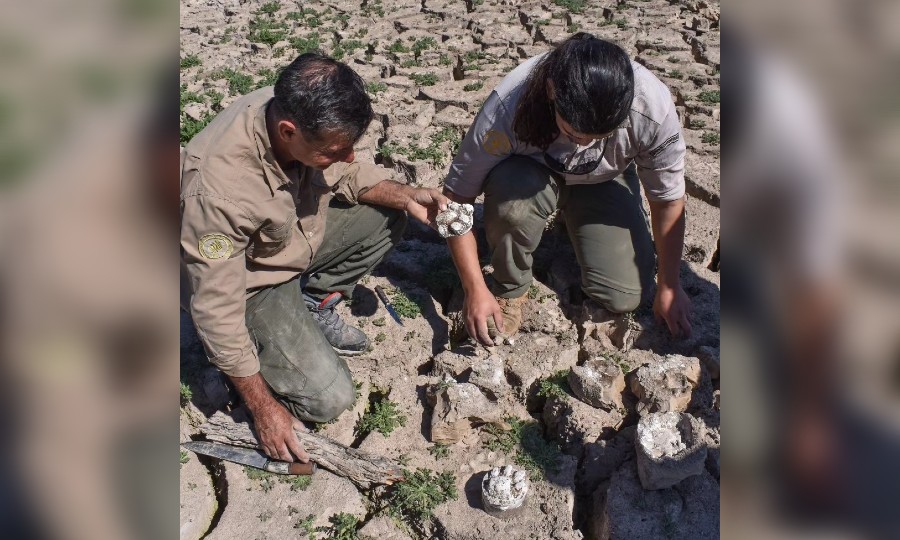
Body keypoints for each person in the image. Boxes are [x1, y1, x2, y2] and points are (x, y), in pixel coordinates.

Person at [180, 52, 449, 463]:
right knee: (329, 398)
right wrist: (263, 408)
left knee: (389, 214)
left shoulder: (291, 110)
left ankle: (313, 301)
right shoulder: (220, 193)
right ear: (288, 132)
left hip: (288, 241)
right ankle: (251, 364)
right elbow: (215, 308)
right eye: (335, 150)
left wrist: (407, 196)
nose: (348, 158)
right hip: (249, 283)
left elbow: (347, 175)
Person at [442, 33, 692, 346]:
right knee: (513, 205)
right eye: (574, 133)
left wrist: (670, 283)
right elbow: (454, 200)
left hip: (604, 179)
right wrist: (474, 287)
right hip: (529, 178)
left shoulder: (652, 109)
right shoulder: (507, 107)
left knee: (624, 297)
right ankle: (511, 286)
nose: (584, 144)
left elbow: (668, 200)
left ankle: (574, 216)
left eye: (600, 137)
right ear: (551, 92)